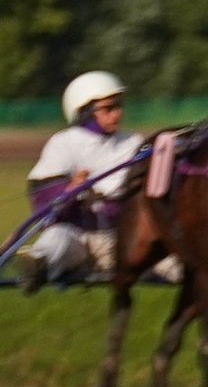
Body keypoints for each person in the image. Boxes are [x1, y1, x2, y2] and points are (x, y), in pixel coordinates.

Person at [20, 72, 142, 290]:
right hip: (78, 238)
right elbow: (43, 200)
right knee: (57, 237)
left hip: (120, 239)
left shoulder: (133, 143)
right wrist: (70, 189)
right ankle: (37, 265)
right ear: (85, 111)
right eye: (108, 108)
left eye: (118, 106)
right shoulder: (63, 143)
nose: (117, 113)